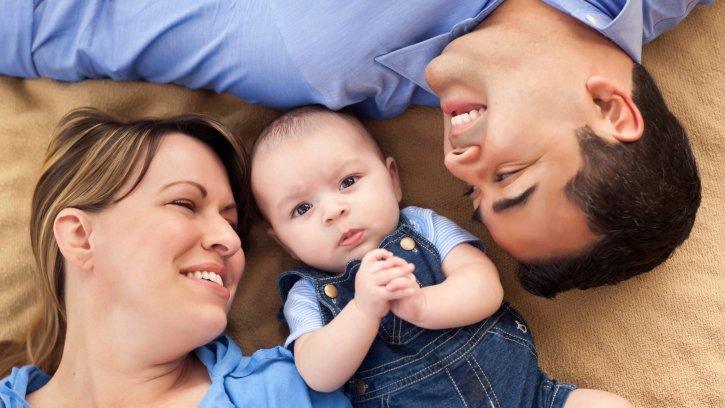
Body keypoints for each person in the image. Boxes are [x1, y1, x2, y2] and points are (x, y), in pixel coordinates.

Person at [0, 0, 705, 296]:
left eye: (474, 194)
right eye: (509, 175)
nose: (459, 162)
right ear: (612, 108)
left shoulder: (315, 65)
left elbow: (67, 24)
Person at [251, 106, 630, 407]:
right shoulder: (306, 293)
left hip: (531, 398)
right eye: (302, 209)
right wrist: (363, 310)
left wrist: (423, 304)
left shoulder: (423, 226)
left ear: (393, 179)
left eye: (348, 182)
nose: (333, 211)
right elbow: (318, 372)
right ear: (284, 242)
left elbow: (484, 286)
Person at [0, 108, 350, 407]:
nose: (229, 240)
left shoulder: (284, 394)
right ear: (80, 237)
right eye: (184, 204)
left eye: (232, 224)